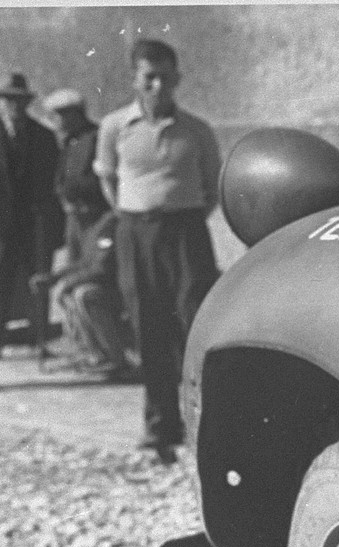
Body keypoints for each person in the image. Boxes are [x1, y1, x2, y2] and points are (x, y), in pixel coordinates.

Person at [95, 38, 221, 463]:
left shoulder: (197, 130)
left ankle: (204, 426)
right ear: (135, 80)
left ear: (178, 79)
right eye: (149, 77)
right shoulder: (114, 127)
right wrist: (136, 217)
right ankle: (159, 426)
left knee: (194, 323)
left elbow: (211, 187)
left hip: (186, 233)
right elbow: (108, 181)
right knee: (149, 328)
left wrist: (180, 216)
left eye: (166, 77)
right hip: (136, 233)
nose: (157, 86)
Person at [0, 72, 63, 355]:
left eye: (20, 100)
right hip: (2, 226)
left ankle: (40, 340)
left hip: (34, 223)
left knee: (39, 281)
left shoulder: (44, 137)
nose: (15, 105)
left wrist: (53, 228)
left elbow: (54, 186)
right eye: (10, 99)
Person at [29, 210, 131, 378]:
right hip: (103, 288)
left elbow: (102, 268)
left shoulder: (107, 223)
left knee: (84, 295)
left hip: (117, 289)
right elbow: (84, 262)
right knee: (72, 294)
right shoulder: (80, 224)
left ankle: (115, 357)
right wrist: (54, 278)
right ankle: (94, 353)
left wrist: (70, 282)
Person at [42, 88, 108, 268]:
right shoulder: (70, 141)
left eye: (59, 114)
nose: (55, 120)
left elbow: (99, 178)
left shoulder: (95, 138)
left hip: (93, 217)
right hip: (74, 217)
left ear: (75, 114)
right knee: (72, 265)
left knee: (90, 267)